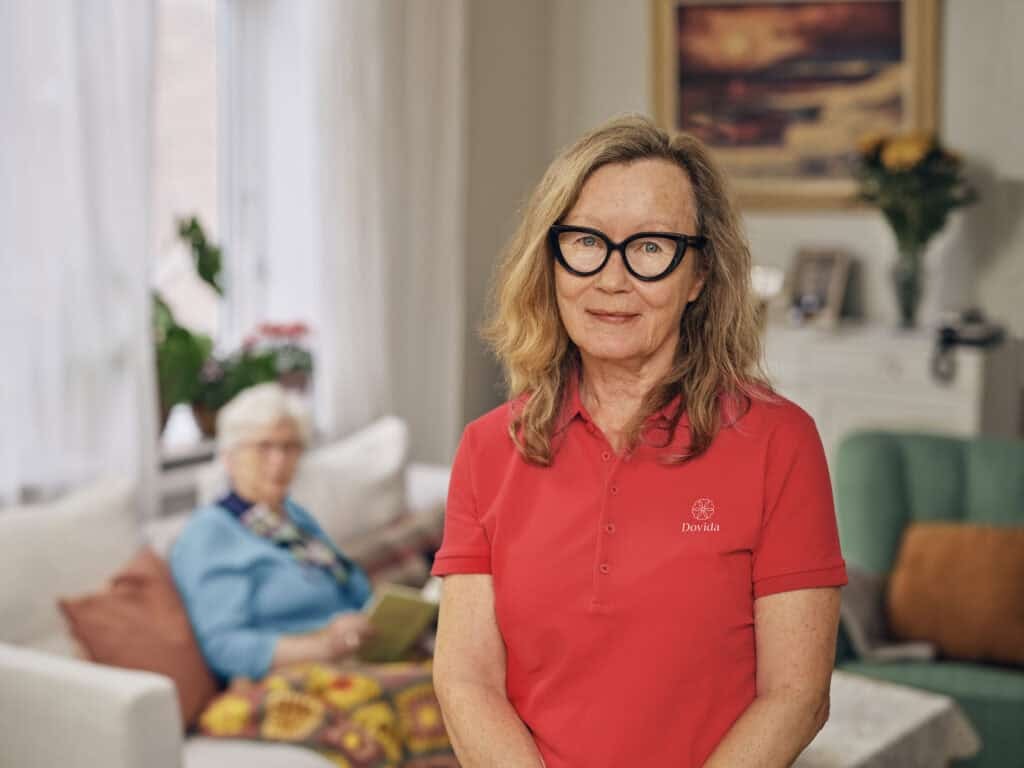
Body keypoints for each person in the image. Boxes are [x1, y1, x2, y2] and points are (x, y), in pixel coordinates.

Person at [431, 115, 849, 767]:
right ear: (551, 258)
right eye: (586, 242)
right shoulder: (487, 448)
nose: (612, 279)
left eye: (651, 247)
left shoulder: (780, 441)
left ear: (700, 275)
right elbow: (466, 681)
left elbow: (797, 695)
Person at [171, 383, 375, 682]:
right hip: (285, 680)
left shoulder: (292, 515)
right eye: (264, 447)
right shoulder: (209, 533)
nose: (279, 460)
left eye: (290, 446)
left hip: (356, 658)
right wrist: (324, 646)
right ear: (229, 457)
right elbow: (223, 647)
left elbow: (350, 583)